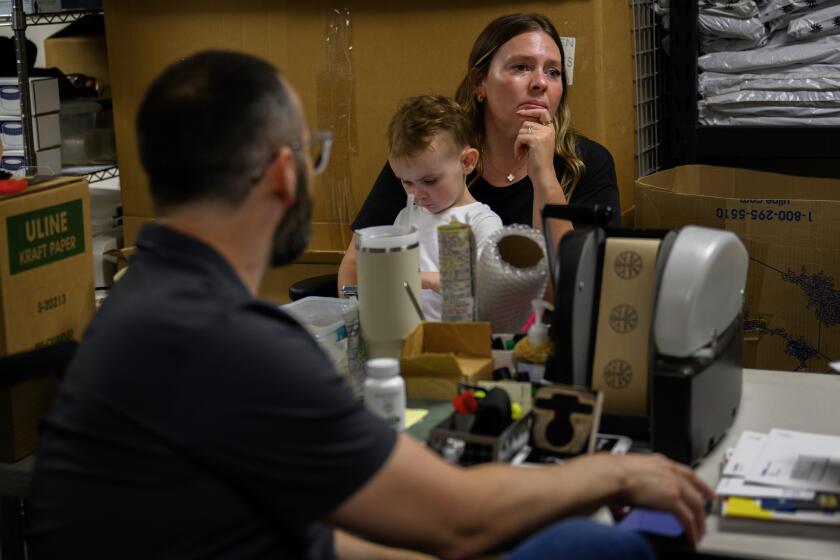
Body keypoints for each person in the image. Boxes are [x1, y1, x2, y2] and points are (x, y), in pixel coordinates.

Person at [28, 50, 712, 560]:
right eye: (312, 153)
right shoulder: (230, 342)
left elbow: (314, 533)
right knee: (604, 547)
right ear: (283, 173)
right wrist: (621, 470)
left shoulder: (144, 298)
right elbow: (459, 520)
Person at [338, 12, 621, 290]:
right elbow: (354, 267)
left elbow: (574, 287)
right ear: (479, 82)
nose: (540, 82)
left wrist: (544, 175)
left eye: (553, 72)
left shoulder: (587, 162)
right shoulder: (428, 153)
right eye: (521, 67)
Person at [385, 95, 503, 320]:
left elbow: (489, 290)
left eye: (429, 181)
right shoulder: (406, 218)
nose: (416, 194)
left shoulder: (480, 221)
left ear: (467, 162)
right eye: (406, 182)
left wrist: (426, 279)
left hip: (458, 334)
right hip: (406, 332)